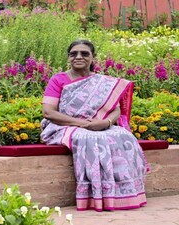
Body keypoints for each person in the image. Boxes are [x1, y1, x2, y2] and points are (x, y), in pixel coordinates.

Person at [40, 39, 148, 212]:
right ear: (68, 58)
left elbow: (116, 110)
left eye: (84, 53)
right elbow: (48, 113)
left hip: (98, 124)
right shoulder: (58, 79)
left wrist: (104, 123)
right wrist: (83, 124)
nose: (78, 57)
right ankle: (94, 196)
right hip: (63, 125)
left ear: (93, 57)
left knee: (122, 135)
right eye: (73, 53)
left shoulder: (103, 82)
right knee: (89, 139)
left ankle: (123, 192)